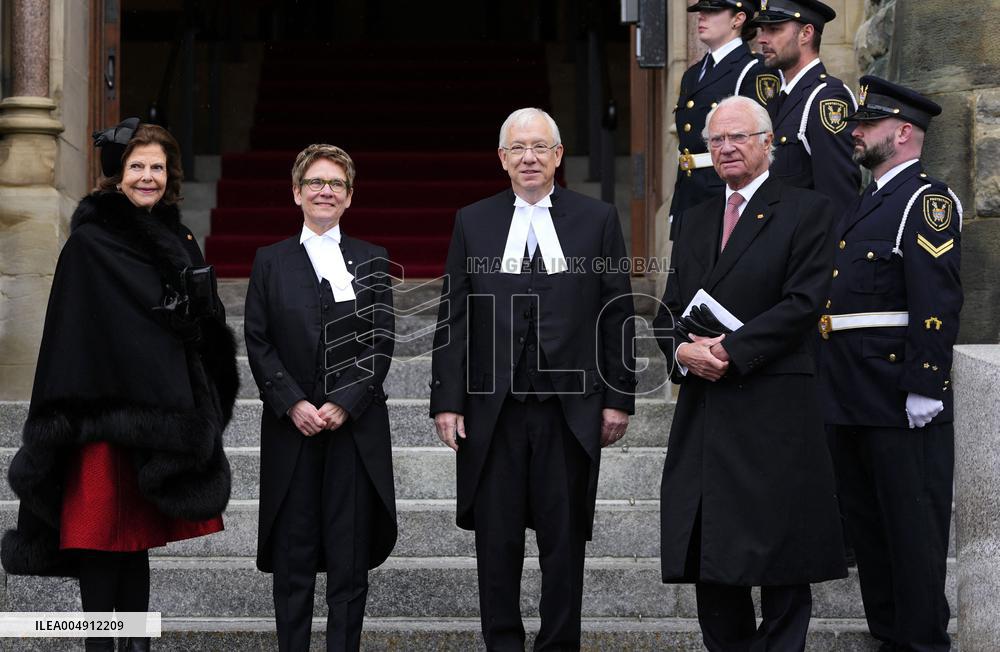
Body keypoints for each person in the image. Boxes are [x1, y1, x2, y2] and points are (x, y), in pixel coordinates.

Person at [1, 119, 238, 652]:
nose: (148, 177)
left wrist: (193, 315)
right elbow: (75, 336)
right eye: (137, 167)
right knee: (100, 544)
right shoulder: (91, 242)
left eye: (157, 167)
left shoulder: (177, 238)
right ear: (117, 175)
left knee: (136, 544)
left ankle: (135, 647)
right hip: (103, 422)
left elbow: (201, 325)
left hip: (159, 417)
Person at [429, 107, 636, 650]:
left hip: (568, 411)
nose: (529, 157)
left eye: (540, 147)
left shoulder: (598, 219)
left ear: (558, 156)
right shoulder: (473, 221)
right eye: (518, 148)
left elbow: (616, 312)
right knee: (496, 547)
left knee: (563, 545)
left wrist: (619, 398)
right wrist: (446, 401)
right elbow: (454, 315)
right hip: (491, 413)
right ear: (501, 158)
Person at [652, 95, 847, 651]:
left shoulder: (807, 210)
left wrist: (729, 351)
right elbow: (670, 306)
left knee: (784, 559)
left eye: (738, 137)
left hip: (773, 405)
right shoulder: (693, 218)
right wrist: (681, 352)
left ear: (768, 143)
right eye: (716, 140)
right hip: (706, 410)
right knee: (712, 557)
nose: (726, 148)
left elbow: (803, 302)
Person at [818, 76, 960, 652]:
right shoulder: (866, 200)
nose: (854, 130)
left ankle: (923, 642)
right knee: (869, 530)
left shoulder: (925, 201)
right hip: (849, 390)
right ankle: (887, 635)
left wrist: (926, 383)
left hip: (898, 394)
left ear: (902, 133)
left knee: (912, 531)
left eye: (867, 123)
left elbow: (937, 298)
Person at [245, 144, 398, 651]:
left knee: (349, 562)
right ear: (296, 193)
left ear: (349, 197)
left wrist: (344, 402)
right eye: (315, 182)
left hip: (353, 432)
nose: (325, 191)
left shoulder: (373, 258)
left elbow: (380, 340)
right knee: (293, 561)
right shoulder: (270, 261)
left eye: (335, 184)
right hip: (292, 430)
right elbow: (258, 340)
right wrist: (291, 401)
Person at [669, 0, 778, 240]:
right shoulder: (692, 75)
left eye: (713, 11)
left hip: (726, 193)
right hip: (690, 196)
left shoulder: (753, 69)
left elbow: (760, 142)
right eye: (701, 11)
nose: (701, 17)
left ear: (738, 19)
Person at [753, 0, 861, 215]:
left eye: (774, 29)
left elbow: (838, 195)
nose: (762, 39)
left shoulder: (826, 98)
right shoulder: (776, 99)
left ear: (806, 34)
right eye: (762, 30)